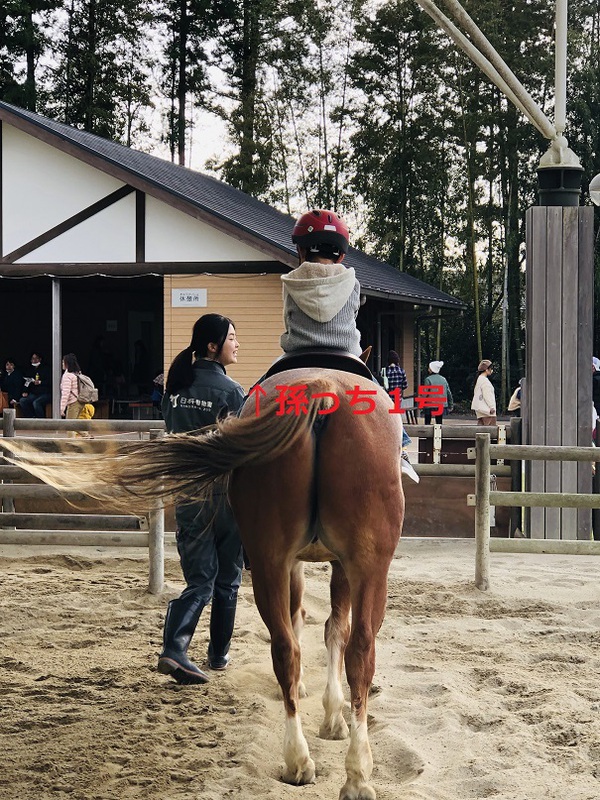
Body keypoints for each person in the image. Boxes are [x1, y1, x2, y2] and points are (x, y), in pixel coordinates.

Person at [283, 208, 419, 482]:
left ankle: (235, 438)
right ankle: (401, 448)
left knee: (259, 393)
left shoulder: (289, 281)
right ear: (341, 256)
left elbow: (288, 319)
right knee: (381, 398)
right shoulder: (352, 282)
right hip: (345, 357)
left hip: (297, 357)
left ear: (301, 251)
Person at [158, 313, 245, 685]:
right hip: (226, 496)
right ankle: (212, 655)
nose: (236, 343)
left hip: (188, 494)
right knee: (227, 579)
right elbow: (241, 447)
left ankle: (178, 646)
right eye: (231, 338)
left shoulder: (174, 388)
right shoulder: (233, 393)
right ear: (213, 346)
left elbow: (170, 430)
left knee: (200, 579)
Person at [19, 352, 52, 418]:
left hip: (45, 393)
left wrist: (40, 382)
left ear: (40, 359)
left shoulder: (46, 369)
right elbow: (27, 381)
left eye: (36, 358)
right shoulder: (30, 370)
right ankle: (31, 418)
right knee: (23, 401)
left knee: (36, 403)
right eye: (33, 359)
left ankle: (40, 421)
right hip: (34, 393)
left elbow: (50, 381)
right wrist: (24, 391)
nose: (34, 360)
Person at [422, 360, 453, 425]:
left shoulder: (428, 379)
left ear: (432, 369)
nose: (428, 369)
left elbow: (424, 394)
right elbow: (448, 392)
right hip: (441, 404)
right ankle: (438, 434)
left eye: (429, 368)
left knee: (427, 422)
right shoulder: (443, 379)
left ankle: (426, 435)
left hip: (429, 404)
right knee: (439, 422)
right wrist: (450, 404)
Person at [471, 359, 496, 426]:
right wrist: (491, 407)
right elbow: (487, 395)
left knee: (480, 430)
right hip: (487, 410)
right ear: (487, 370)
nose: (492, 370)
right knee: (490, 431)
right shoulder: (484, 381)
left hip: (480, 409)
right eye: (491, 368)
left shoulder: (479, 379)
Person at [60, 353, 84, 421]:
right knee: (79, 428)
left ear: (67, 363)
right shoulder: (77, 373)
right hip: (80, 402)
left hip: (73, 403)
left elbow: (66, 393)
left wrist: (62, 408)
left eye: (63, 362)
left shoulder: (67, 376)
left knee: (70, 428)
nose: (62, 363)